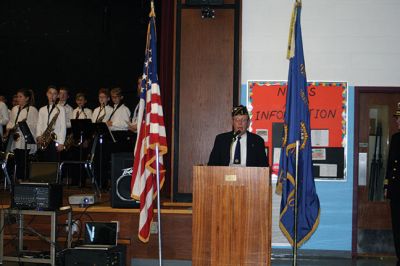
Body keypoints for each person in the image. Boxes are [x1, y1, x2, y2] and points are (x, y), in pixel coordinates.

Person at [6, 89, 38, 182]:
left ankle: (25, 180)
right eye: (17, 96)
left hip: (25, 139)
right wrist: (9, 128)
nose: (18, 99)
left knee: (24, 162)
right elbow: (11, 121)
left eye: (20, 97)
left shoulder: (32, 110)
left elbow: (35, 125)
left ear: (27, 98)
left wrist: (22, 125)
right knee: (18, 161)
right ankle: (20, 180)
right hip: (15, 139)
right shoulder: (14, 109)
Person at [384, 102, 400, 266]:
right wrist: (387, 186)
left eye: (398, 119)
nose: (397, 121)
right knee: (396, 223)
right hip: (396, 190)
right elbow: (390, 165)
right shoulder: (395, 138)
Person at [36, 86, 66, 162]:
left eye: (54, 93)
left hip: (54, 140)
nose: (52, 95)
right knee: (43, 163)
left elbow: (63, 127)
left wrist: (61, 143)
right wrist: (38, 136)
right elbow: (39, 124)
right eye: (50, 93)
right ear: (47, 94)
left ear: (58, 96)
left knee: (53, 163)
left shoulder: (61, 109)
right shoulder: (42, 109)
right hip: (43, 140)